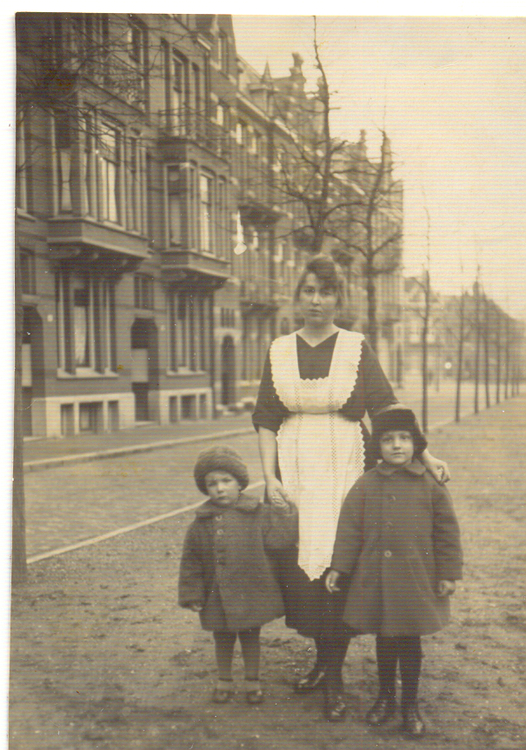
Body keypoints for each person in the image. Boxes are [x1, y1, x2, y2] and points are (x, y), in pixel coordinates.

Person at [252, 254, 450, 722]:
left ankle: (335, 677)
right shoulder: (279, 349)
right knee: (303, 571)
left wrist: (427, 454)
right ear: (298, 296)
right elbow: (265, 417)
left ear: (339, 298)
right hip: (295, 462)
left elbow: (386, 408)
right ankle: (323, 662)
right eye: (309, 291)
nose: (316, 301)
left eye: (326, 292)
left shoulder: (355, 347)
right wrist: (268, 476)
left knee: (339, 562)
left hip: (346, 462)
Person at [326, 405, 463, 737]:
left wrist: (448, 573)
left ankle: (410, 705)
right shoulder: (365, 484)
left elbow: (447, 533)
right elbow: (348, 530)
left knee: (410, 643)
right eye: (388, 440)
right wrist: (339, 567)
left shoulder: (431, 485)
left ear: (416, 443)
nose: (397, 445)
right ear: (378, 447)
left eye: (404, 438)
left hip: (415, 580)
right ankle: (385, 696)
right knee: (385, 640)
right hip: (376, 579)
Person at [178, 446, 297, 706]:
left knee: (250, 635)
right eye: (212, 484)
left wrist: (286, 512)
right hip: (216, 595)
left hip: (250, 590)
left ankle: (253, 681)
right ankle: (224, 680)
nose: (219, 488)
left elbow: (281, 541)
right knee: (221, 637)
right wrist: (191, 594)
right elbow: (191, 561)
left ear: (240, 483)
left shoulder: (259, 513)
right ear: (205, 488)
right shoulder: (200, 523)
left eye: (226, 481)